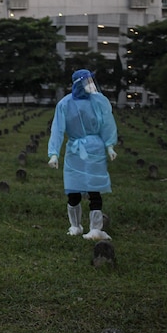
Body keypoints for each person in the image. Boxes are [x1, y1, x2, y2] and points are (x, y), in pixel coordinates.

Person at [47, 69, 118, 240]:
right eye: (87, 81)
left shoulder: (99, 101)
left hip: (95, 149)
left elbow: (107, 123)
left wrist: (110, 145)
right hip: (75, 150)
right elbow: (57, 129)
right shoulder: (65, 104)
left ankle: (95, 229)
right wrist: (54, 153)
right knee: (73, 189)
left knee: (95, 189)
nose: (91, 85)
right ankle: (75, 226)